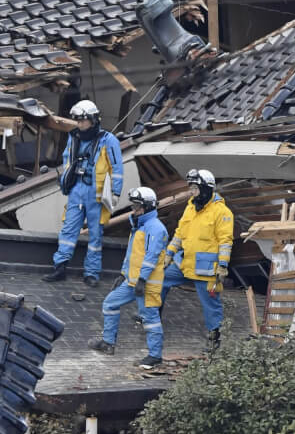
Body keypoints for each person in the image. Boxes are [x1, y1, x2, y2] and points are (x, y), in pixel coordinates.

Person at [43, 100, 124, 286]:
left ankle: (92, 274)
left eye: (83, 121)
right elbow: (67, 159)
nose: (79, 124)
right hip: (77, 189)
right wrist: (67, 180)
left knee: (95, 234)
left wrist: (115, 193)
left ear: (93, 120)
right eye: (77, 121)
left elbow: (117, 168)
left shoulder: (109, 140)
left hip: (96, 193)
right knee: (68, 229)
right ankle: (60, 267)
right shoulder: (74, 137)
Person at [89, 187, 168, 370]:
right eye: (134, 205)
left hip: (146, 284)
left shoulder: (155, 228)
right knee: (110, 303)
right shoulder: (139, 226)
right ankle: (108, 344)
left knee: (150, 319)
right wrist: (123, 274)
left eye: (138, 206)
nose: (134, 209)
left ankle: (155, 356)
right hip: (133, 281)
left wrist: (142, 280)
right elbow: (132, 255)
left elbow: (151, 256)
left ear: (147, 207)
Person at [161, 168, 233, 352]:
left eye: (195, 188)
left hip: (207, 269)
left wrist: (223, 266)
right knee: (159, 279)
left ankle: (213, 339)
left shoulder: (222, 212)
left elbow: (225, 241)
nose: (191, 192)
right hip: (184, 263)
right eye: (191, 188)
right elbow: (179, 233)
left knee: (211, 305)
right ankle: (153, 315)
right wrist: (169, 254)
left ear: (206, 189)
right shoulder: (191, 206)